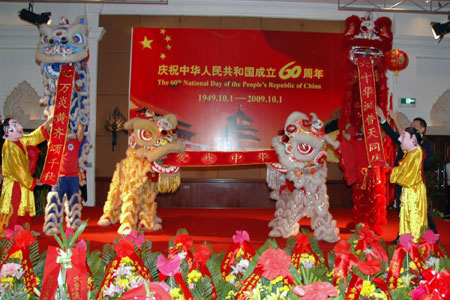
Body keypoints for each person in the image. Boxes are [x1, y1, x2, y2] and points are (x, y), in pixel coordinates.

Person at [376, 107, 438, 235]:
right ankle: (402, 236)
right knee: (402, 210)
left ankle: (431, 235)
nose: (411, 129)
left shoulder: (425, 146)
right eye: (411, 126)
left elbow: (425, 163)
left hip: (414, 184)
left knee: (419, 211)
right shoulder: (405, 143)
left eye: (415, 127)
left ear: (422, 129)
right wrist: (383, 120)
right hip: (401, 181)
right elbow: (395, 136)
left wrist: (396, 120)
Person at [0, 118, 51, 235]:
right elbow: (19, 170)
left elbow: (33, 137)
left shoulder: (19, 141)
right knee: (13, 209)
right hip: (14, 185)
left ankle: (24, 231)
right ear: (7, 130)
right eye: (15, 124)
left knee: (23, 208)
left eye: (17, 122)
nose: (19, 126)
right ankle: (9, 233)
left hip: (22, 183)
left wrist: (46, 124)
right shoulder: (10, 147)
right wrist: (34, 181)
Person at [43, 122, 84, 235]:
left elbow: (81, 133)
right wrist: (51, 120)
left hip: (73, 177)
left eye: (67, 128)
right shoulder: (55, 143)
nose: (66, 131)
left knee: (74, 201)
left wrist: (79, 122)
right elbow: (45, 132)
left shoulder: (74, 141)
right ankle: (51, 224)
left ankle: (74, 222)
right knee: (55, 202)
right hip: (59, 177)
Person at [390, 127, 428, 242]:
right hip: (409, 192)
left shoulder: (416, 153)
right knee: (406, 219)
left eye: (404, 137)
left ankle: (414, 248)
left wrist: (393, 173)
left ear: (413, 139)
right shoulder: (410, 153)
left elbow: (408, 179)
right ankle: (406, 246)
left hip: (413, 192)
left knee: (413, 219)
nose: (400, 139)